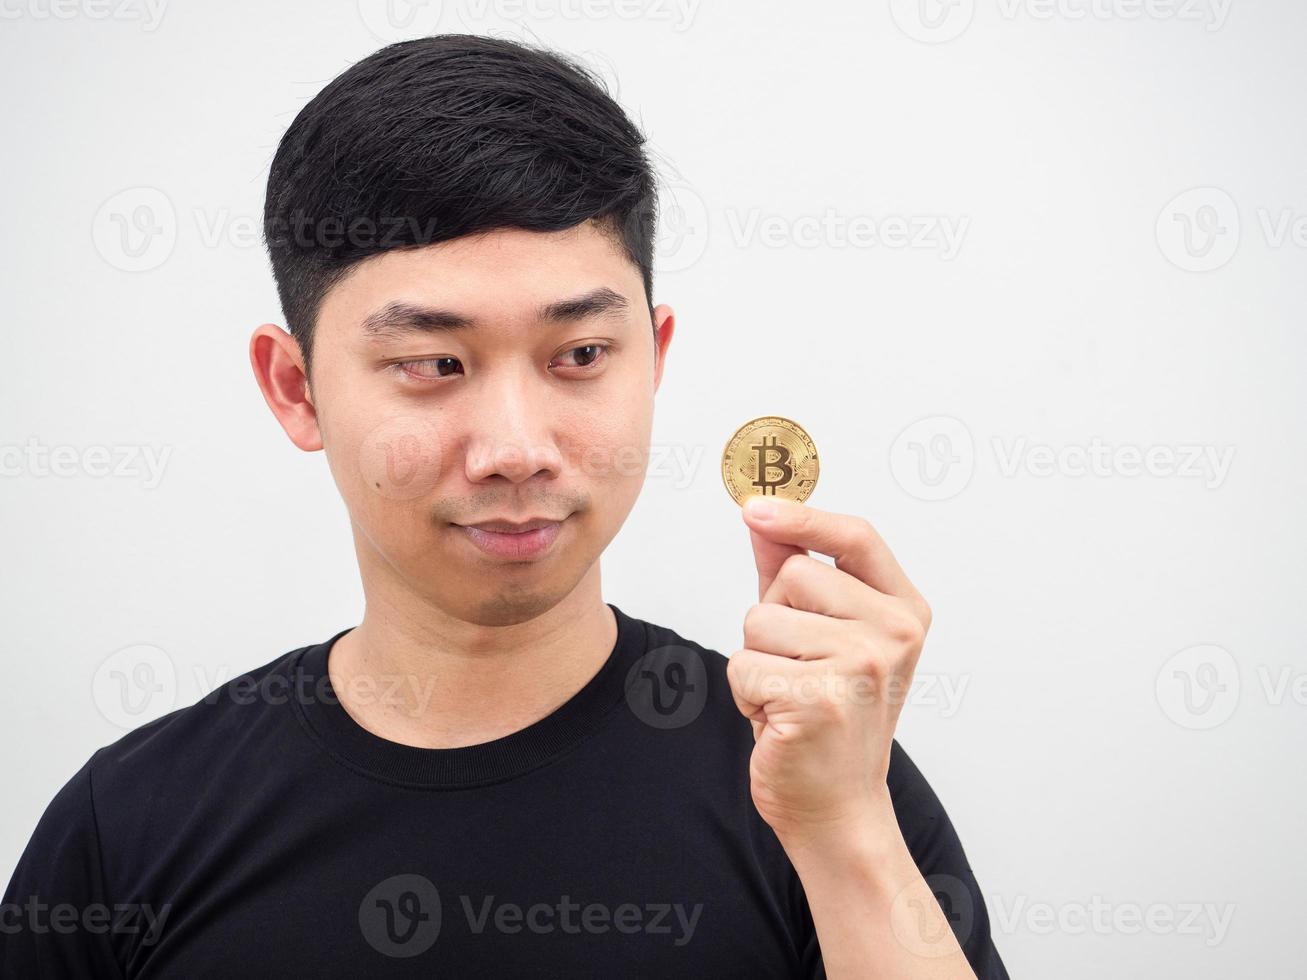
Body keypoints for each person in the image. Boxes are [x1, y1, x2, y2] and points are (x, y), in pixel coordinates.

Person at [1, 34, 1009, 978]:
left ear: (652, 358)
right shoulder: (125, 829)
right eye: (433, 363)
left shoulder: (817, 780)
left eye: (578, 355)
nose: (516, 447)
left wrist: (842, 832)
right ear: (295, 388)